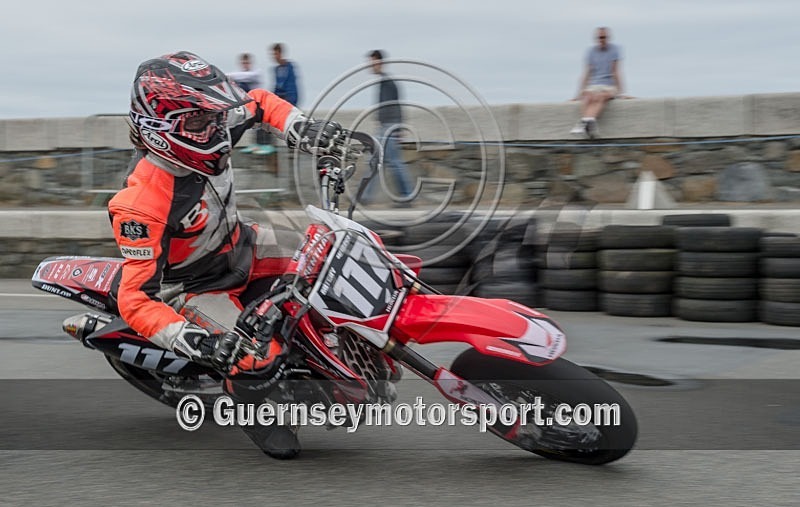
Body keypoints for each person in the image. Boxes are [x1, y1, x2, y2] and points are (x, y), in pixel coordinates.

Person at [109, 51, 343, 458]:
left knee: (333, 255)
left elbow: (260, 101)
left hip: (244, 243)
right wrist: (193, 339)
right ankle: (253, 412)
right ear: (157, 128)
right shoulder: (140, 203)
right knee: (256, 355)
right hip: (196, 286)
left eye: (216, 116)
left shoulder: (206, 130)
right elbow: (135, 299)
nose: (218, 129)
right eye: (200, 122)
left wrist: (302, 128)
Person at [363, 49, 414, 205]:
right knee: (378, 160)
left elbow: (396, 105)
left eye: (373, 63)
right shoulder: (383, 82)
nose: (371, 66)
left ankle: (406, 197)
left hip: (390, 127)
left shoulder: (388, 82)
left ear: (380, 63)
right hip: (385, 126)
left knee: (394, 162)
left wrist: (398, 129)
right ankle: (365, 197)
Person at [570, 27, 629, 139]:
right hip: (594, 85)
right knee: (587, 96)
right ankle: (589, 124)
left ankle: (583, 123)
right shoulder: (591, 52)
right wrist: (578, 94)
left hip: (609, 85)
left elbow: (616, 71)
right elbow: (587, 73)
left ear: (608, 38)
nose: (602, 40)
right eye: (600, 38)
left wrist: (622, 93)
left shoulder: (615, 50)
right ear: (596, 39)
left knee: (600, 97)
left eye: (604, 37)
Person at [227, 53, 272, 154]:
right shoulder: (240, 75)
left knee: (261, 123)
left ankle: (265, 145)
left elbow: (243, 76)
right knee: (251, 123)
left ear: (250, 63)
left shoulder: (255, 73)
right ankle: (256, 144)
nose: (245, 65)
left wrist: (224, 76)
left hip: (261, 103)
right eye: (244, 63)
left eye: (247, 63)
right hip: (251, 105)